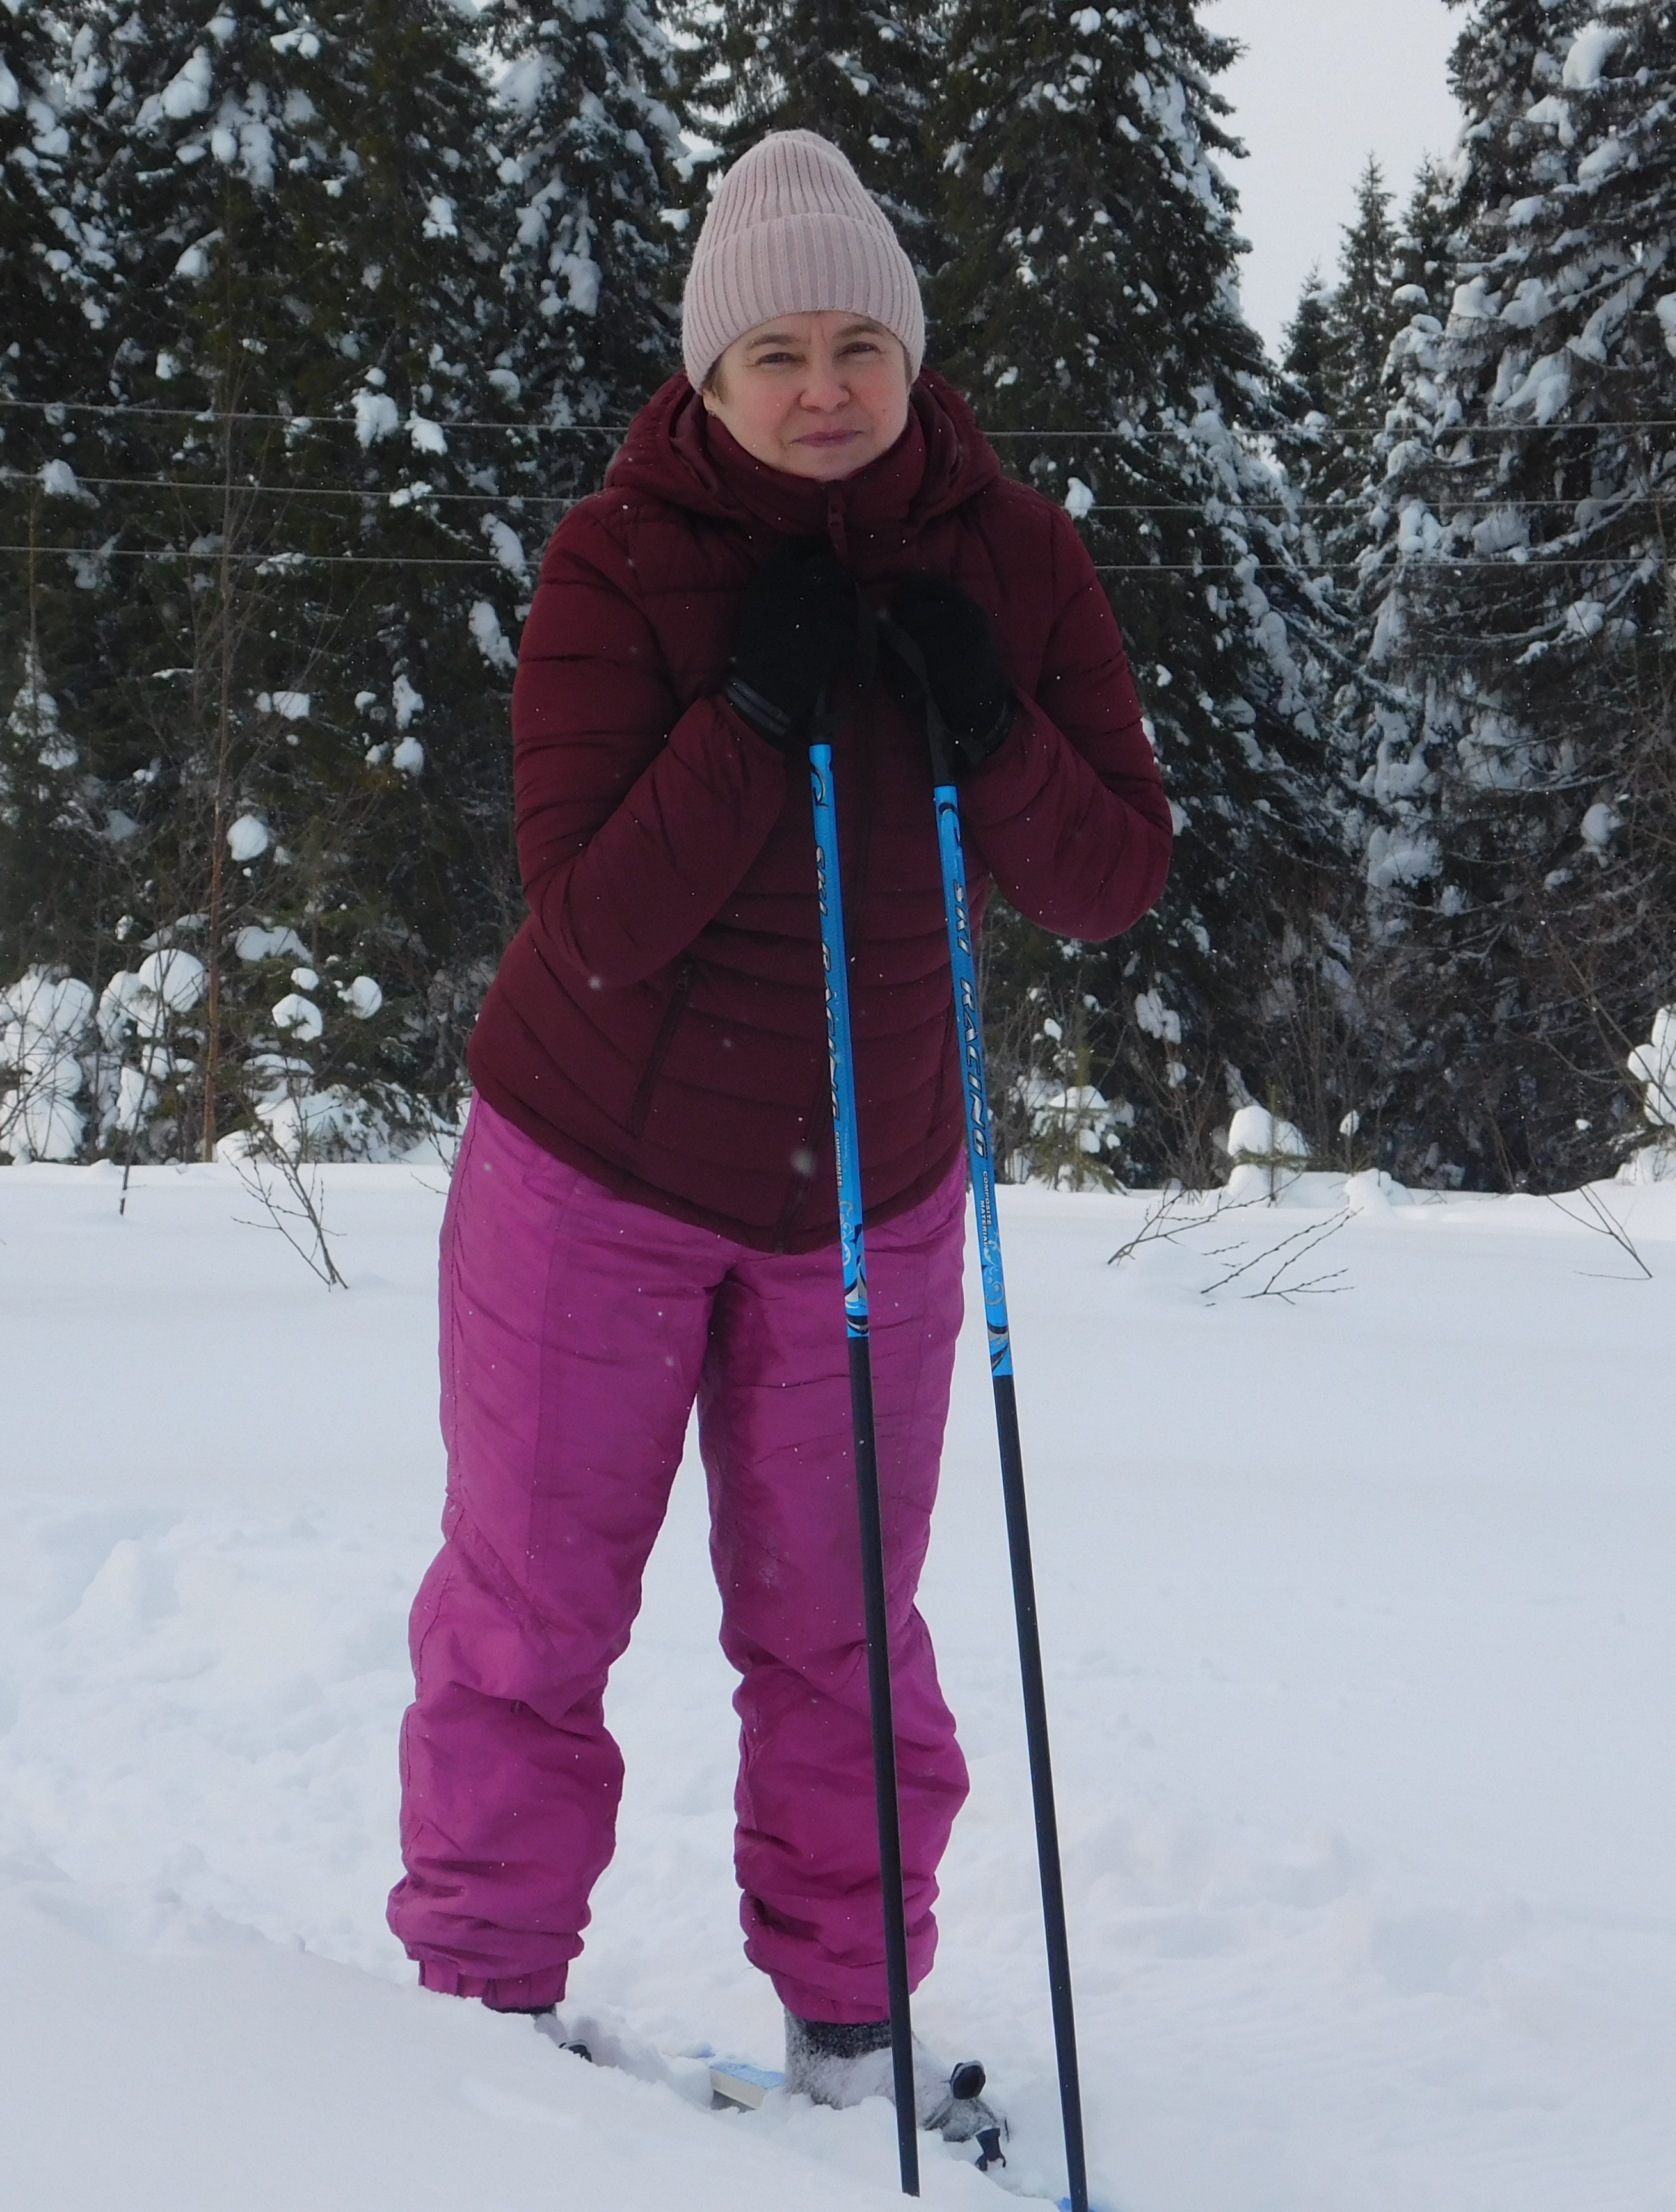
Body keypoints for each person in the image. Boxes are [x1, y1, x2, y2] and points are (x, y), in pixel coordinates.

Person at [386, 130, 1171, 2130]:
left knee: (840, 1632)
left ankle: (853, 2031)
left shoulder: (1010, 555)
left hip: (872, 1196)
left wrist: (988, 721)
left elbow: (1107, 877)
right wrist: (750, 721)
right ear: (708, 378)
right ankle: (475, 2027)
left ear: (911, 359)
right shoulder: (619, 561)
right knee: (536, 1611)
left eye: (858, 347)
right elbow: (599, 922)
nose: (824, 389)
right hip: (595, 1179)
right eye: (775, 356)